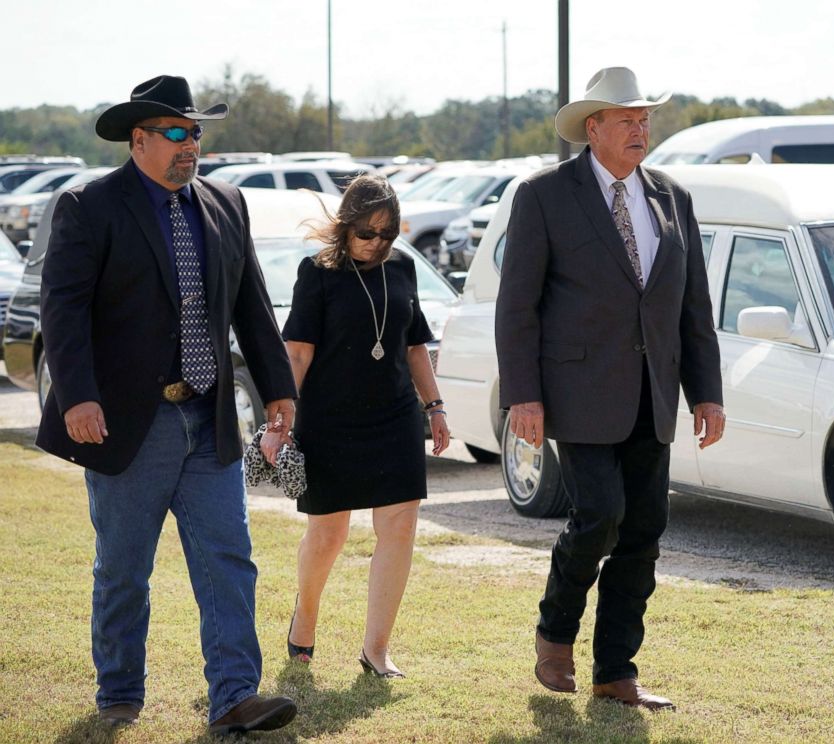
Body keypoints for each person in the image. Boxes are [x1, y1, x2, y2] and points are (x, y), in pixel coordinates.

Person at [37, 75, 299, 735]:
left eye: (197, 132)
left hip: (209, 418)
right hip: (129, 422)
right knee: (125, 567)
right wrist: (78, 397)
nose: (191, 146)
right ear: (139, 140)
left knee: (229, 557)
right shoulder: (90, 206)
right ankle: (120, 691)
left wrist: (277, 390)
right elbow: (62, 311)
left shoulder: (226, 203)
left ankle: (235, 696)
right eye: (177, 133)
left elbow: (251, 306)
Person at [494, 67, 725, 711]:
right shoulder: (542, 195)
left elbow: (691, 305)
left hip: (655, 392)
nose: (639, 128)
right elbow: (517, 306)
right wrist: (524, 395)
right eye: (626, 118)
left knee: (644, 529)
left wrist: (707, 391)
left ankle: (615, 670)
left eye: (645, 117)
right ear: (592, 127)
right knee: (599, 514)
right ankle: (555, 629)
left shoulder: (672, 197)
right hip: (576, 391)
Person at [261, 174, 450, 679]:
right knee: (328, 534)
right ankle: (306, 615)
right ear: (345, 227)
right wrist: (280, 421)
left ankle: (376, 650)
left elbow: (414, 347)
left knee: (400, 527)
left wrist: (435, 408)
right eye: (368, 233)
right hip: (330, 421)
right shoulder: (317, 273)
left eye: (388, 235)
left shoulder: (403, 269)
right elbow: (298, 352)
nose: (377, 244)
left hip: (394, 418)